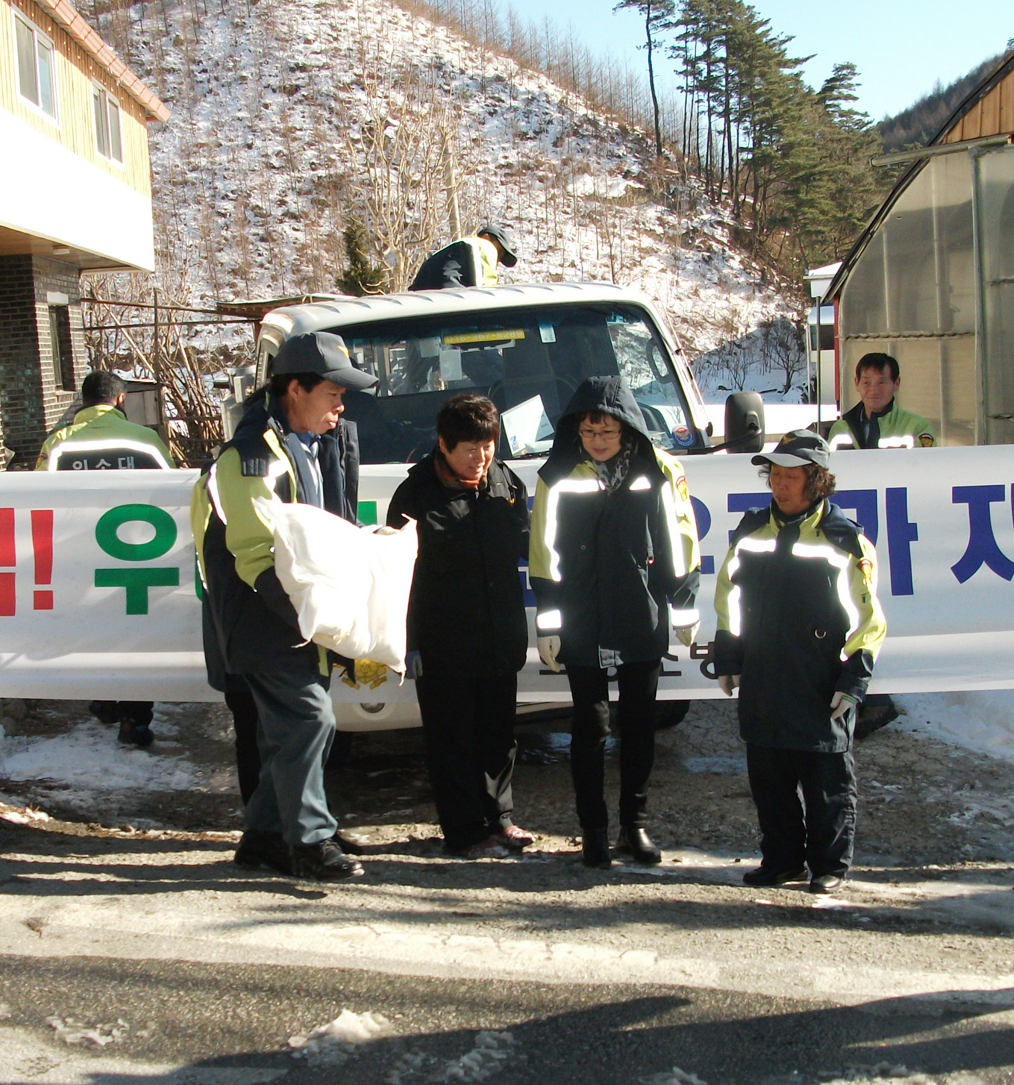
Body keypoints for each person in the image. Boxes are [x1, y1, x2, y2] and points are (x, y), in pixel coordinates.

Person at [194, 331, 376, 881]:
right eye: (333, 394)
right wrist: (308, 618)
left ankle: (264, 837)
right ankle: (309, 842)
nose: (341, 407)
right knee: (309, 720)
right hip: (268, 614)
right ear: (295, 389)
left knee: (291, 732)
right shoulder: (249, 456)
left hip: (300, 612)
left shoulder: (317, 444)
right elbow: (255, 554)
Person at [529, 377, 701, 868]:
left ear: (627, 428)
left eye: (607, 430)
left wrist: (683, 603)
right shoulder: (557, 475)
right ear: (576, 431)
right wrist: (549, 622)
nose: (598, 440)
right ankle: (594, 830)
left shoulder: (659, 470)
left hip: (639, 611)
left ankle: (635, 825)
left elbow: (679, 538)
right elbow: (544, 553)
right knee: (590, 726)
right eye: (589, 431)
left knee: (640, 725)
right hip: (581, 616)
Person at [712, 430, 886, 895]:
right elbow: (729, 598)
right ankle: (781, 860)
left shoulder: (845, 541)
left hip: (819, 680)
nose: (779, 484)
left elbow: (868, 619)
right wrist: (728, 655)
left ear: (817, 479)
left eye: (791, 476)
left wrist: (854, 680)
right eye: (775, 474)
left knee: (827, 782)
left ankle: (830, 865)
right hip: (764, 677)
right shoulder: (752, 531)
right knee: (769, 782)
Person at [387, 393, 535, 860]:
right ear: (444, 445)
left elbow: (527, 545)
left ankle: (500, 819)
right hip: (442, 640)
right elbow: (396, 575)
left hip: (499, 632)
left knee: (499, 735)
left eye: (488, 445)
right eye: (470, 448)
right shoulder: (415, 495)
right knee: (451, 739)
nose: (481, 457)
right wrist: (407, 642)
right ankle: (464, 830)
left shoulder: (505, 482)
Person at [39, 370, 176, 748]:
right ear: (120, 400)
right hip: (137, 557)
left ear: (82, 401)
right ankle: (134, 721)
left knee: (94, 629)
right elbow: (172, 496)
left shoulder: (58, 444)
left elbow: (36, 498)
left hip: (79, 559)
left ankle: (102, 698)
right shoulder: (146, 441)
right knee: (137, 636)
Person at [826, 353, 935, 451]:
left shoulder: (917, 427)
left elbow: (926, 465)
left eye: (881, 382)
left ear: (896, 383)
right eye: (866, 382)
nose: (874, 390)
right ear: (857, 383)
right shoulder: (841, 428)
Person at [408, 222, 519, 291]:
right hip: (450, 299)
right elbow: (487, 290)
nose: (497, 259)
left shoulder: (446, 252)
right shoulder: (482, 244)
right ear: (486, 236)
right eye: (499, 252)